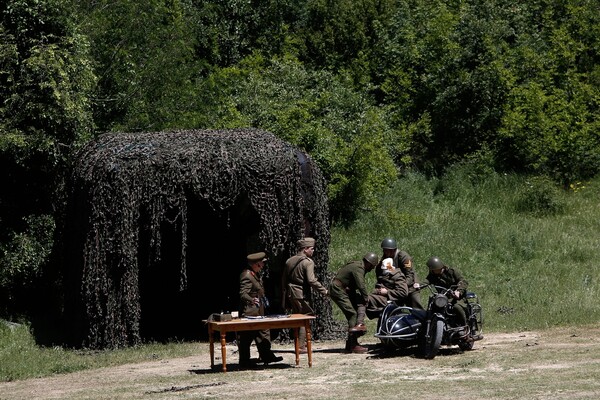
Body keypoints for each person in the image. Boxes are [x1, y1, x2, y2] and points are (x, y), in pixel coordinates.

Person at [282, 237, 328, 353]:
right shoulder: (308, 262)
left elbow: (284, 279)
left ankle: (299, 343)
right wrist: (324, 291)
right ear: (305, 249)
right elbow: (311, 280)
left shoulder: (289, 261)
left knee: (297, 318)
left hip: (291, 293)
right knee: (305, 317)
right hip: (302, 293)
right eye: (312, 249)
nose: (313, 251)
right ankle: (301, 346)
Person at [238, 251, 283, 367]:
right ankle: (244, 361)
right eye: (261, 264)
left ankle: (267, 356)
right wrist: (252, 300)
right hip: (250, 312)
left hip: (259, 311)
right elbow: (243, 294)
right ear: (255, 264)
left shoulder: (254, 274)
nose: (263, 266)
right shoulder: (247, 275)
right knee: (246, 337)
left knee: (264, 332)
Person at [329, 252, 379, 354]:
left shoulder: (357, 265)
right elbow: (361, 285)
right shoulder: (359, 268)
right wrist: (365, 297)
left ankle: (350, 343)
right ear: (369, 263)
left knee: (355, 311)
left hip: (342, 289)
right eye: (372, 266)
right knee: (352, 314)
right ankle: (353, 345)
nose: (372, 269)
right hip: (338, 290)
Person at [420, 256, 469, 334]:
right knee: (432, 306)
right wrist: (418, 285)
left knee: (457, 307)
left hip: (456, 297)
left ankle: (464, 326)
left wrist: (458, 291)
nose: (431, 271)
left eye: (433, 269)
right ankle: (428, 330)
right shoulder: (433, 274)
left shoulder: (452, 272)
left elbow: (463, 281)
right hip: (442, 297)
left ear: (439, 268)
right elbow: (427, 281)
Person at [379, 237, 423, 310]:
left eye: (387, 250)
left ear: (392, 250)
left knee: (416, 308)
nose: (385, 252)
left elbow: (410, 275)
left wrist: (402, 287)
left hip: (410, 286)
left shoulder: (403, 257)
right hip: (397, 287)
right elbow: (382, 273)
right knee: (391, 308)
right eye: (384, 250)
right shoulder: (385, 259)